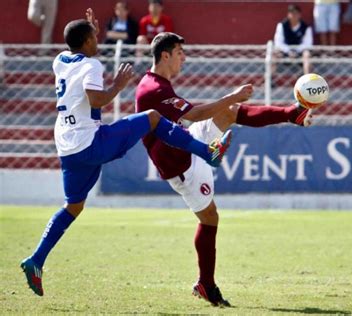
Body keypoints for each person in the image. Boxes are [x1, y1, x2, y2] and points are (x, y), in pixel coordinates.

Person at [20, 9, 232, 297]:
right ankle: (207, 153)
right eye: (95, 36)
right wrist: (118, 86)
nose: (99, 39)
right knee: (154, 117)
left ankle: (36, 260)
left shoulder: (60, 61)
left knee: (73, 206)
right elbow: (96, 98)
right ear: (85, 42)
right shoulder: (92, 65)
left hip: (67, 147)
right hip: (90, 141)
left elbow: (75, 52)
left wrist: (85, 32)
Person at [135, 32, 317, 307]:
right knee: (210, 218)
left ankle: (291, 113)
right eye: (180, 52)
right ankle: (206, 285)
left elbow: (191, 117)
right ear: (165, 55)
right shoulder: (153, 89)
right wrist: (231, 94)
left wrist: (230, 100)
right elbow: (194, 114)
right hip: (182, 166)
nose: (184, 57)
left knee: (230, 111)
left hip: (188, 142)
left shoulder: (158, 84)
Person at [273, 4, 313, 75]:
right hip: (285, 52)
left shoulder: (306, 27)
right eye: (291, 13)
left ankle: (307, 79)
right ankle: (269, 79)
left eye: (296, 13)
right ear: (288, 14)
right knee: (274, 54)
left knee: (307, 54)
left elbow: (307, 44)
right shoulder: (282, 25)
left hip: (300, 53)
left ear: (299, 15)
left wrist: (296, 51)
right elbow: (278, 42)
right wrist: (289, 51)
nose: (294, 15)